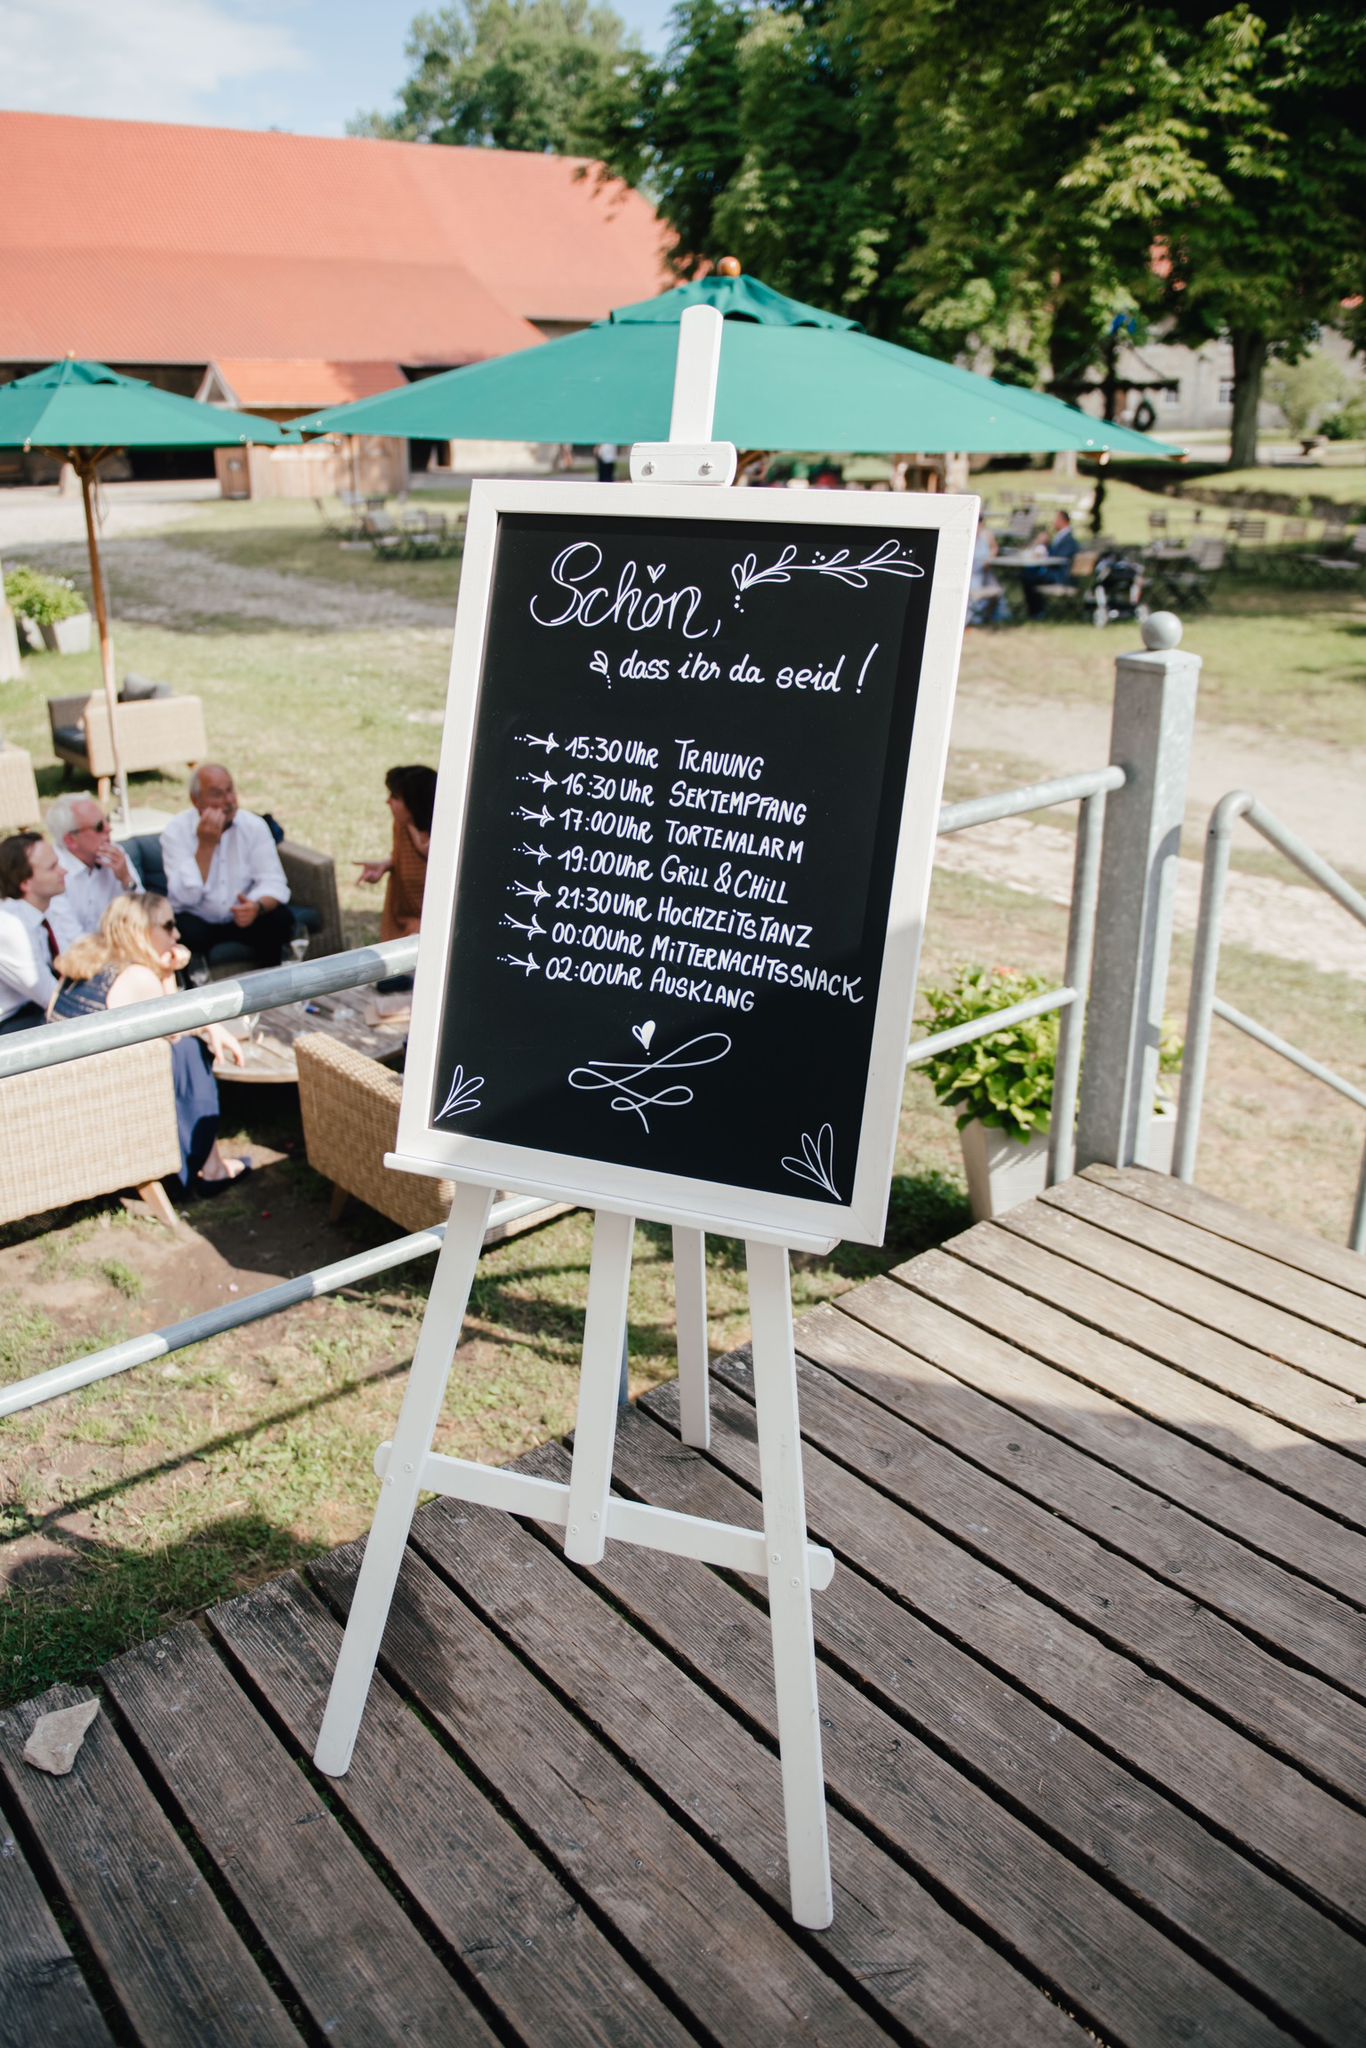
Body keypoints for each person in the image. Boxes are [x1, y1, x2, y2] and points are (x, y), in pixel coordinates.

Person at [52, 894, 249, 1196]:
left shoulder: (86, 954)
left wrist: (209, 1025)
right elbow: (174, 1028)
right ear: (141, 931)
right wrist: (169, 972)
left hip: (64, 1088)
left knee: (187, 1045)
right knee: (188, 1052)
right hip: (106, 1102)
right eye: (169, 926)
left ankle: (210, 1161)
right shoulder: (137, 976)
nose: (177, 935)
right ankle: (208, 1166)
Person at [161, 763, 293, 969]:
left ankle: (273, 989)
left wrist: (256, 907)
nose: (229, 801)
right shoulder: (175, 832)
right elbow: (182, 899)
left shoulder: (254, 826)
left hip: (243, 915)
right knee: (182, 931)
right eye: (217, 794)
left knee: (280, 919)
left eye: (230, 790)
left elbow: (274, 882)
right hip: (199, 919)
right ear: (196, 801)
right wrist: (205, 846)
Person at [46, 790, 142, 950]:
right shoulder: (52, 872)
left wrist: (126, 879)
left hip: (121, 950)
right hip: (80, 959)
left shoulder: (116, 854)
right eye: (99, 827)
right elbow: (73, 941)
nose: (109, 829)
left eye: (108, 820)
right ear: (71, 840)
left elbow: (146, 914)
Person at [356, 765, 436, 943]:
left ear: (415, 803)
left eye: (395, 797)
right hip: (404, 924)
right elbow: (405, 858)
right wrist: (386, 865)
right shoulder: (403, 826)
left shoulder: (446, 842)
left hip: (429, 929)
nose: (388, 802)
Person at [0, 832, 67, 1034]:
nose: (64, 871)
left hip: (34, 1009)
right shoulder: (11, 926)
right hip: (11, 1025)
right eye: (52, 868)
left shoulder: (43, 910)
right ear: (25, 882)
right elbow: (53, 998)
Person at [1021, 510, 1080, 618]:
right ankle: (1036, 611)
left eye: (1056, 519)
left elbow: (1059, 560)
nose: (1053, 522)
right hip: (1057, 574)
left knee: (1029, 577)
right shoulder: (1062, 537)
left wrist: (1046, 550)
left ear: (1062, 521)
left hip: (1062, 577)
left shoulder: (1068, 540)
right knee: (1028, 574)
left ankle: (1036, 612)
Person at [967, 524, 1011, 628]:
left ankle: (990, 617)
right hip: (972, 581)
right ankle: (976, 618)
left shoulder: (984, 538)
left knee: (997, 590)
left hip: (984, 578)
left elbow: (994, 548)